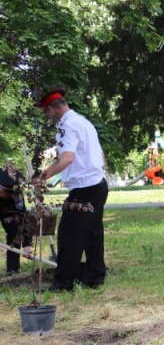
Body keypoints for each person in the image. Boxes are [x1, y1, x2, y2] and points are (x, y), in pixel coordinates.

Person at [37, 89, 108, 291]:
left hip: (85, 188)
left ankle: (63, 282)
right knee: (93, 233)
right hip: (97, 184)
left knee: (69, 234)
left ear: (52, 109)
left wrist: (44, 176)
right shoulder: (83, 122)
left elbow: (67, 158)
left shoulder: (67, 125)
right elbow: (98, 154)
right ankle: (95, 277)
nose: (47, 116)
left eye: (46, 112)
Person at [1, 166, 32, 276]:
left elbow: (22, 218)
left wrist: (27, 244)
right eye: (7, 193)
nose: (10, 195)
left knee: (14, 231)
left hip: (7, 210)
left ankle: (12, 269)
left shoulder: (15, 196)